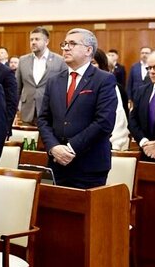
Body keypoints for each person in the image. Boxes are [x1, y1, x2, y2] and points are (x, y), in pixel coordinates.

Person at [37, 29, 117, 189]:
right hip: (57, 163)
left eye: (72, 44)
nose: (66, 48)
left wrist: (70, 148)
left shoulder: (104, 79)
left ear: (88, 50)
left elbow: (104, 122)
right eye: (65, 44)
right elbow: (43, 119)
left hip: (89, 166)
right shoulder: (54, 81)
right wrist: (53, 147)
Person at [16, 27, 66, 126]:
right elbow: (17, 88)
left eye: (37, 39)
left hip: (50, 113)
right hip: (27, 112)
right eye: (31, 39)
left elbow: (63, 89)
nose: (33, 42)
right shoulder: (23, 60)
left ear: (46, 41)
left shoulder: (60, 61)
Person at [93, 49, 130, 150]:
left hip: (110, 144)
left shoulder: (115, 88)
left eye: (93, 63)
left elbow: (121, 119)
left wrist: (115, 146)